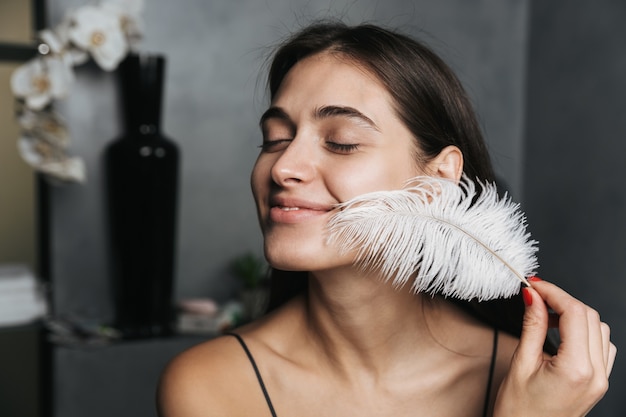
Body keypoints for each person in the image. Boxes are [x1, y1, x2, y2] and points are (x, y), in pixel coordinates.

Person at [157, 22, 616, 417]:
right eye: (275, 139)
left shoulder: (532, 380)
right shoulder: (211, 386)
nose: (282, 168)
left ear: (437, 181)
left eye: (340, 141)